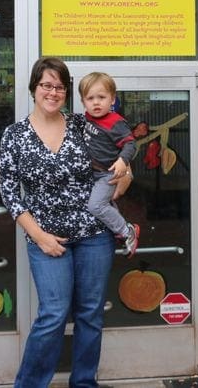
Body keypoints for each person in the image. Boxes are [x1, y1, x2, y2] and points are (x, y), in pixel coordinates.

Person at [0, 57, 131, 388]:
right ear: (33, 88)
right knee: (53, 314)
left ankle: (84, 382)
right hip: (46, 239)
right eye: (46, 85)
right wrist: (40, 237)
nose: (53, 92)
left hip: (93, 235)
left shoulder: (82, 126)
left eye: (59, 86)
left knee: (90, 315)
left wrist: (119, 183)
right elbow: (11, 195)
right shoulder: (15, 136)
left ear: (67, 92)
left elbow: (121, 170)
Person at [78, 71, 140, 258]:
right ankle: (118, 229)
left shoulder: (116, 123)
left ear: (112, 99)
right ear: (83, 102)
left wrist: (123, 161)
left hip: (107, 174)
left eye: (102, 97)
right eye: (90, 98)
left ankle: (126, 230)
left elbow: (131, 144)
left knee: (95, 206)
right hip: (93, 173)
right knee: (104, 203)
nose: (96, 102)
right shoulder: (87, 118)